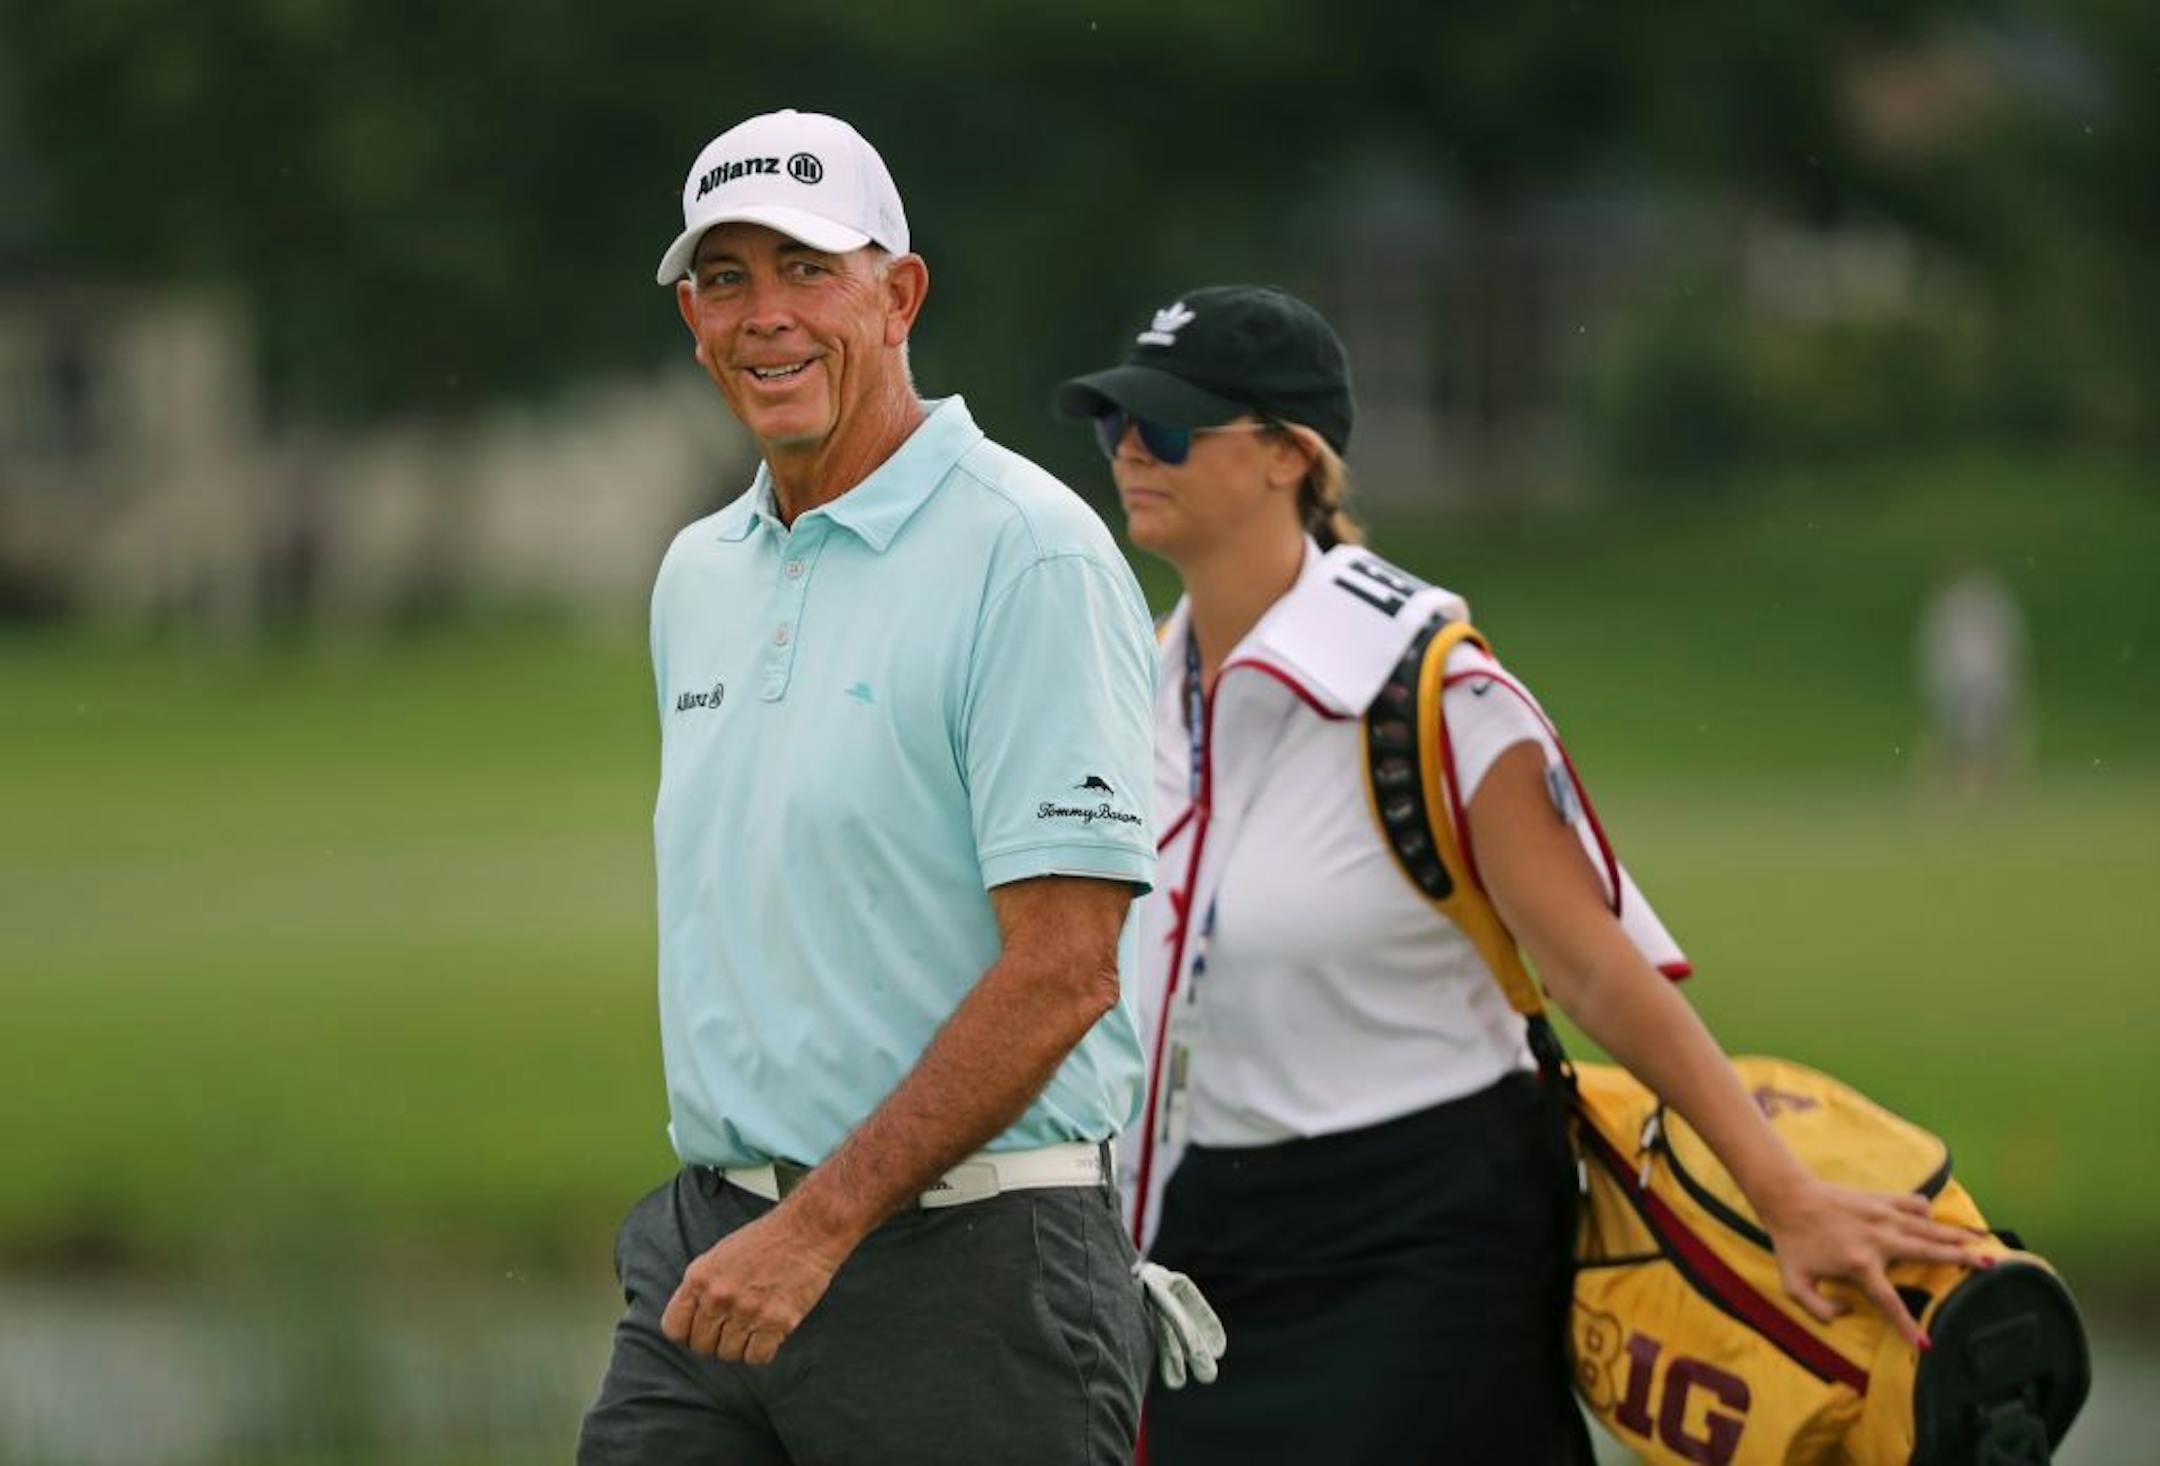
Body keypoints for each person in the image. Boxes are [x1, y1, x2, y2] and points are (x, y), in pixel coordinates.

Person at [1053, 285, 1992, 1464]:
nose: (1134, 450)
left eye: (1175, 426)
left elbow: (1596, 972)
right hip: (1197, 1239)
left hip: (1424, 1236)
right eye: (1116, 426)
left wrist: (1786, 1193)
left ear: (1291, 455)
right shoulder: (1133, 685)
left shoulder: (1435, 691)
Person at [577, 108, 1162, 1466]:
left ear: (898, 295)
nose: (763, 316)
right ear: (691, 319)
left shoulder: (1030, 556)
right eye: (724, 278)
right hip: (715, 1254)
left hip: (973, 1268)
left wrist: (821, 1224)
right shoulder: (698, 574)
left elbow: (1068, 968)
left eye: (806, 269)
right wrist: (759, 1230)